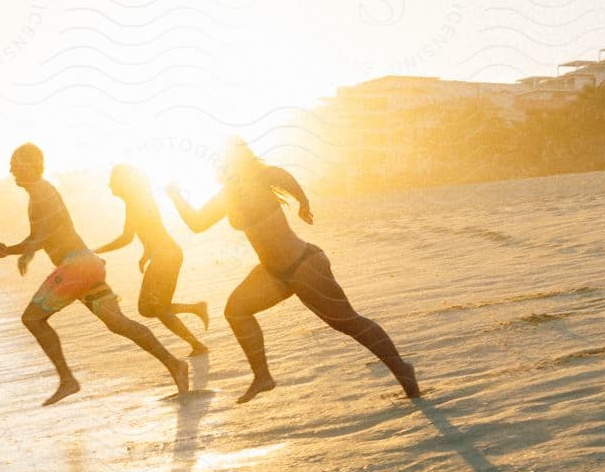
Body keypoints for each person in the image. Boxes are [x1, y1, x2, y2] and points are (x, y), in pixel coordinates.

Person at [166, 137, 420, 404]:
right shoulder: (228, 195)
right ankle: (262, 376)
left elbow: (286, 178)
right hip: (274, 273)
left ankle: (402, 369)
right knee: (236, 310)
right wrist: (175, 195)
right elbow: (197, 223)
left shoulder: (261, 178)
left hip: (304, 265)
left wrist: (303, 202)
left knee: (347, 323)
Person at [0, 142, 190, 406]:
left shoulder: (42, 190)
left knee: (32, 319)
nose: (11, 168)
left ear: (32, 165)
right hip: (86, 265)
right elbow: (39, 235)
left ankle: (67, 380)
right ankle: (175, 365)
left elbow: (47, 234)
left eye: (16, 162)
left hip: (75, 267)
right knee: (118, 323)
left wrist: (23, 251)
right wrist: (14, 250)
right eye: (11, 163)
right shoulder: (38, 193)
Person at [96, 164, 210, 356]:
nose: (110, 186)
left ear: (123, 183)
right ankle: (195, 309)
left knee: (158, 308)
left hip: (166, 256)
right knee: (147, 309)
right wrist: (146, 253)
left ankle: (197, 345)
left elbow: (127, 237)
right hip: (164, 255)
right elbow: (151, 230)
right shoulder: (138, 200)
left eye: (113, 181)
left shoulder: (136, 202)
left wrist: (97, 250)